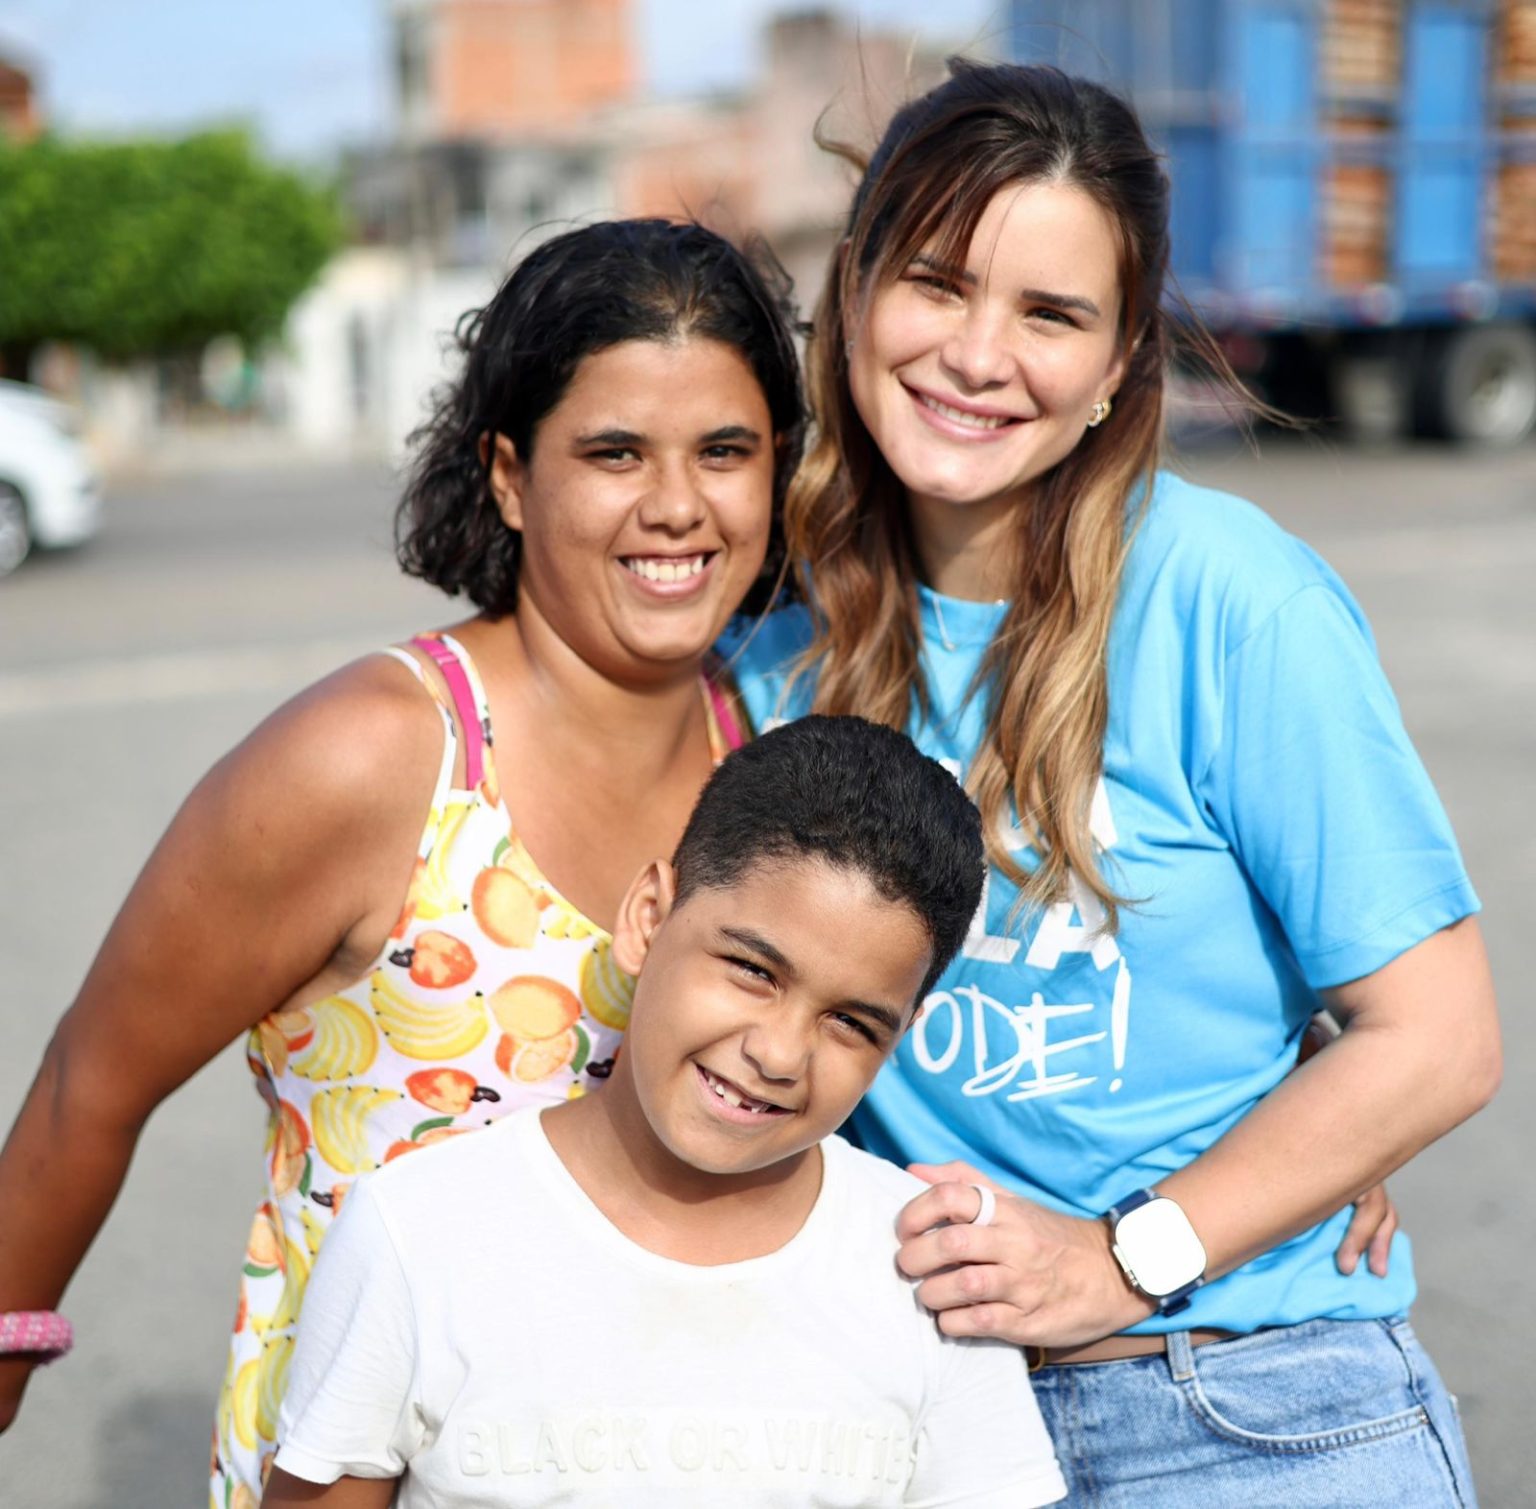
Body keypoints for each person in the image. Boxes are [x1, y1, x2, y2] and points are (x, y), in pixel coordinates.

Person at [726, 60, 1500, 1506]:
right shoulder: (767, 637)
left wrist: (1129, 1249)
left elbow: (1438, 1034)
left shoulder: (1231, 599)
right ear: (855, 285)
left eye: (1051, 314)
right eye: (938, 283)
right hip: (916, 1421)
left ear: (1119, 361)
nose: (978, 353)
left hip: (1247, 1409)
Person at [0, 218, 805, 1505]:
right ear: (508, 475)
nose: (677, 505)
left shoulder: (768, 748)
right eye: (612, 452)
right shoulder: (376, 761)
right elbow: (84, 1091)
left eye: (726, 451)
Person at [261, 715, 1067, 1509]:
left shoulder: (931, 1275)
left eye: (851, 1022)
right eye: (753, 969)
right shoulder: (419, 1233)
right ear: (649, 919)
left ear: (897, 1039)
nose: (781, 1054)